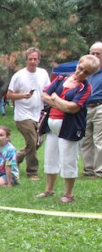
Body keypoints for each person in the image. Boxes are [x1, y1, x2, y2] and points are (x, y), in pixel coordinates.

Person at [38, 54, 100, 203]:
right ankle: (49, 189)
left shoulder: (85, 88)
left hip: (70, 128)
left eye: (86, 72)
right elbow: (44, 94)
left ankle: (68, 194)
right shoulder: (61, 79)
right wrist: (59, 103)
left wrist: (55, 99)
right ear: (77, 64)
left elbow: (72, 108)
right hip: (52, 125)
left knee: (68, 159)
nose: (81, 73)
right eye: (80, 68)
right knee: (50, 158)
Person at [6, 47, 51, 180]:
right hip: (23, 115)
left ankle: (15, 158)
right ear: (26, 60)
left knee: (38, 142)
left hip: (39, 114)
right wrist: (22, 96)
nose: (32, 61)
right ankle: (32, 172)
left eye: (35, 59)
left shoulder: (43, 73)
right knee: (31, 141)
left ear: (39, 60)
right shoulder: (19, 75)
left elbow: (48, 89)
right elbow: (9, 95)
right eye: (30, 59)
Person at [80, 42, 102, 179]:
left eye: (98, 54)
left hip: (100, 107)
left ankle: (99, 171)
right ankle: (88, 169)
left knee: (99, 140)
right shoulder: (85, 72)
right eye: (92, 53)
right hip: (85, 108)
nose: (94, 56)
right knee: (86, 139)